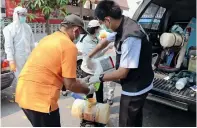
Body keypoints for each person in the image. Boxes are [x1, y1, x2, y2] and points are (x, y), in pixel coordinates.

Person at [15, 14, 96, 127]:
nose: (78, 36)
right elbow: (70, 85)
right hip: (41, 100)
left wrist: (80, 81)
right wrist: (87, 90)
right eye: (79, 33)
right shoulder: (69, 46)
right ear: (76, 30)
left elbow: (50, 70)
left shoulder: (47, 39)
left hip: (23, 94)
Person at [84, 0, 154, 127]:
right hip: (139, 80)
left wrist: (98, 78)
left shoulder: (130, 37)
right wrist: (89, 56)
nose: (102, 26)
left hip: (136, 87)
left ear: (107, 20)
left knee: (127, 121)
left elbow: (122, 73)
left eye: (101, 23)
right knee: (135, 119)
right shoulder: (121, 23)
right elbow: (104, 42)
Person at [77, 20, 115, 105]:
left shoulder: (95, 38)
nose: (99, 31)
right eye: (98, 29)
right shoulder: (87, 41)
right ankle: (87, 114)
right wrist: (107, 47)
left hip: (97, 71)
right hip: (88, 72)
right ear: (95, 29)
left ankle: (99, 110)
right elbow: (96, 55)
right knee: (89, 93)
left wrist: (106, 45)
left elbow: (99, 50)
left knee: (99, 91)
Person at [3, 6, 35, 79]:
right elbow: (8, 46)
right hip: (17, 59)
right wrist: (11, 61)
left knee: (29, 78)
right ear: (16, 15)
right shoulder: (9, 29)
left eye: (24, 15)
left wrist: (34, 55)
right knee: (20, 78)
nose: (23, 17)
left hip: (28, 57)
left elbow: (32, 44)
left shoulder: (27, 27)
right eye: (21, 15)